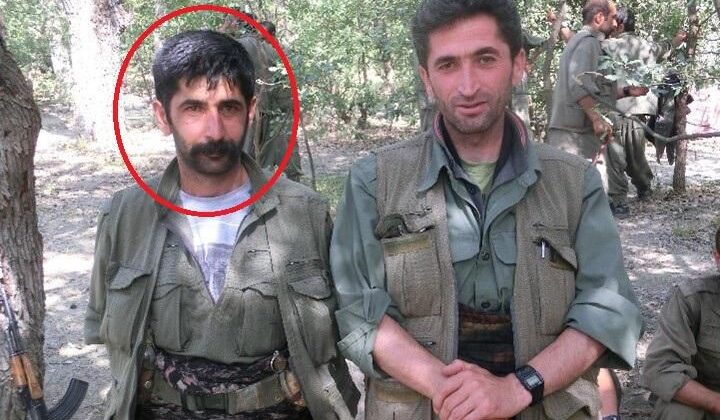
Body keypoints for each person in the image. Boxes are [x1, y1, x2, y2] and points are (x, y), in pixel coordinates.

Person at [330, 0, 643, 419]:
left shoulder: (574, 184)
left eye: (485, 59)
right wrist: (452, 392)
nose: (468, 86)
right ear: (426, 79)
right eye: (447, 65)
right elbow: (358, 309)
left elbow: (606, 309)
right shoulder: (375, 182)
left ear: (518, 64)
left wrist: (515, 389)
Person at [84, 30, 358, 419]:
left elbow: (352, 331)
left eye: (228, 108)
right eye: (193, 109)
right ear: (162, 115)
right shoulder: (125, 217)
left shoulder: (306, 213)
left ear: (251, 110)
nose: (214, 131)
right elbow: (106, 332)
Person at [546, 0, 648, 216]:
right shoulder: (588, 43)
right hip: (574, 137)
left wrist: (627, 91)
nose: (616, 24)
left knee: (584, 203)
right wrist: (596, 119)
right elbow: (580, 84)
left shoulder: (584, 42)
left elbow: (596, 89)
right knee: (578, 205)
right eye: (613, 18)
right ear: (599, 18)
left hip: (577, 135)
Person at [602, 7, 687, 215]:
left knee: (615, 158)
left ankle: (619, 201)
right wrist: (678, 39)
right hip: (639, 113)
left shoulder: (609, 45)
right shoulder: (646, 46)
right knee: (635, 156)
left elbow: (582, 45)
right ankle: (644, 187)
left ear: (620, 25)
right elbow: (666, 47)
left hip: (616, 109)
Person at [641, 225, 720, 419]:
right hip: (705, 399)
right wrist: (716, 403)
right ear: (718, 259)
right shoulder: (691, 300)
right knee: (679, 414)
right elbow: (660, 368)